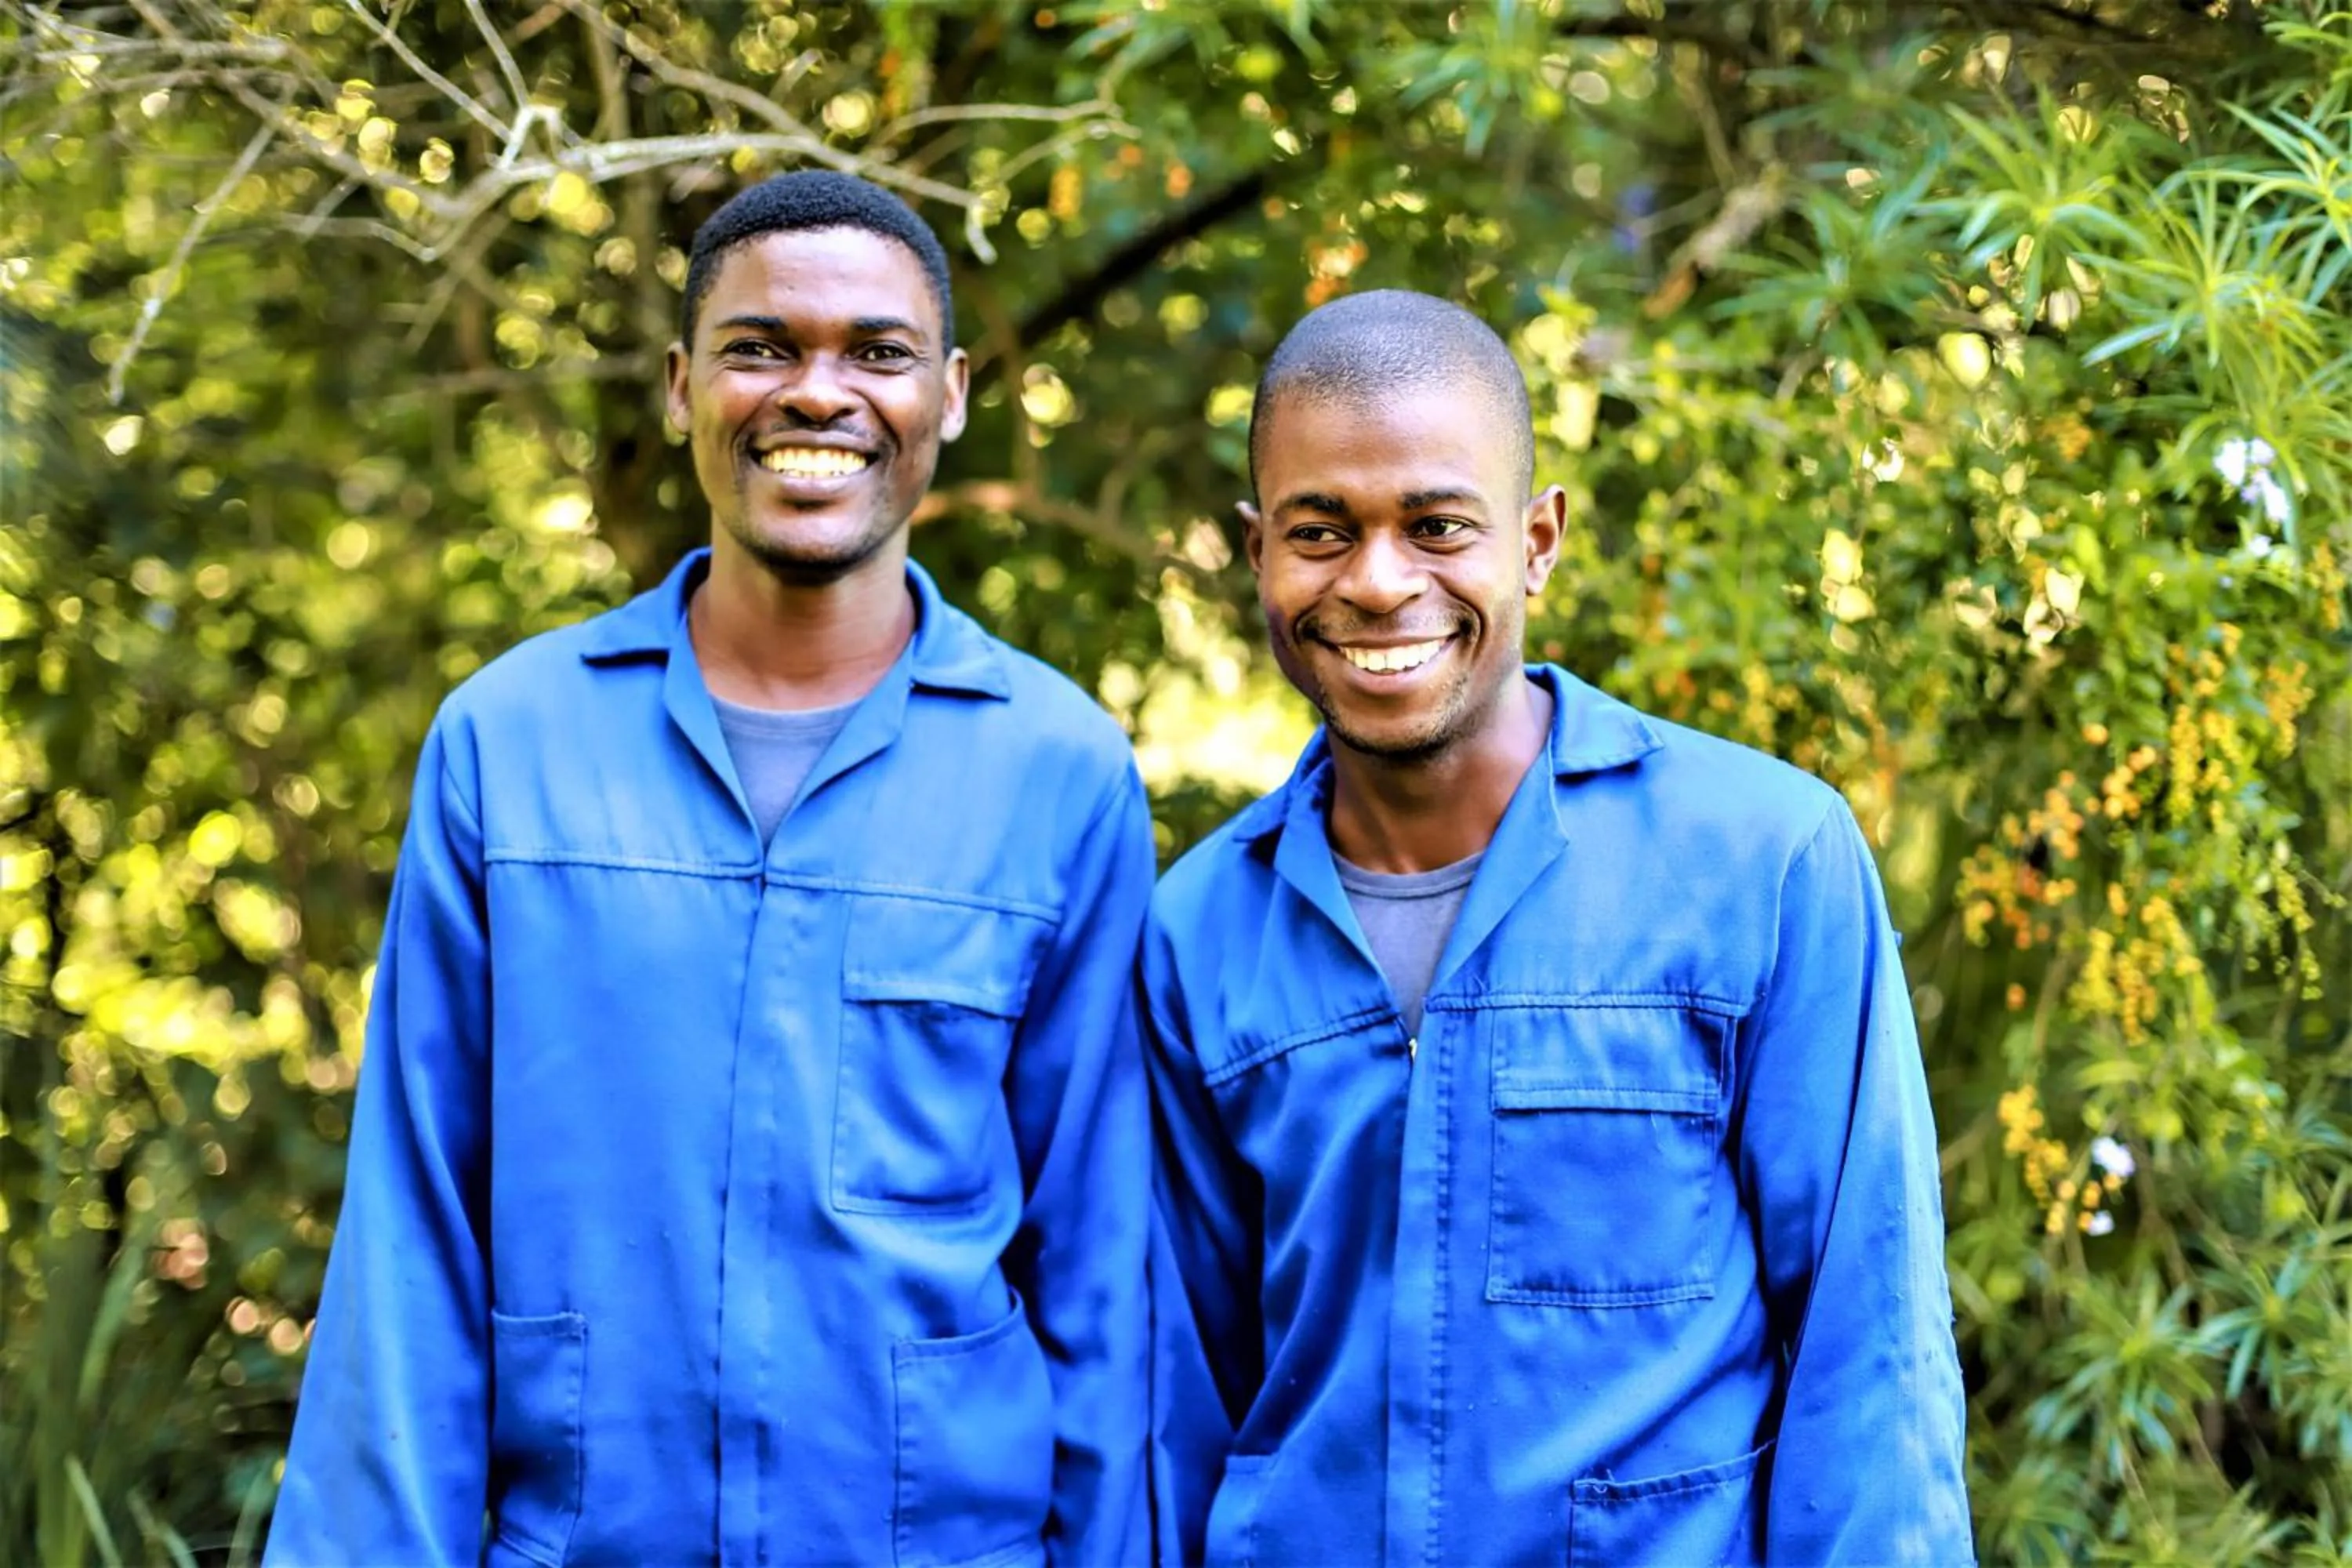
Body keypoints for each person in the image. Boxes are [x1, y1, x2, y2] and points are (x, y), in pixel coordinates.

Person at [268, 171, 1153, 1567]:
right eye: (760, 348)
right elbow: (413, 1242)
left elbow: (1105, 1280)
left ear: (954, 393)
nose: (819, 392)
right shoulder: (511, 745)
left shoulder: (1059, 772)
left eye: (877, 352)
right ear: (683, 387)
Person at [1145, 290, 1973, 1566]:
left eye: (1437, 526)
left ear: (1535, 541)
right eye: (1322, 531)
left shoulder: (1762, 860)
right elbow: (1182, 1399)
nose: (1376, 580)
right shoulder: (1197, 930)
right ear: (1257, 552)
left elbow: (1873, 1351)